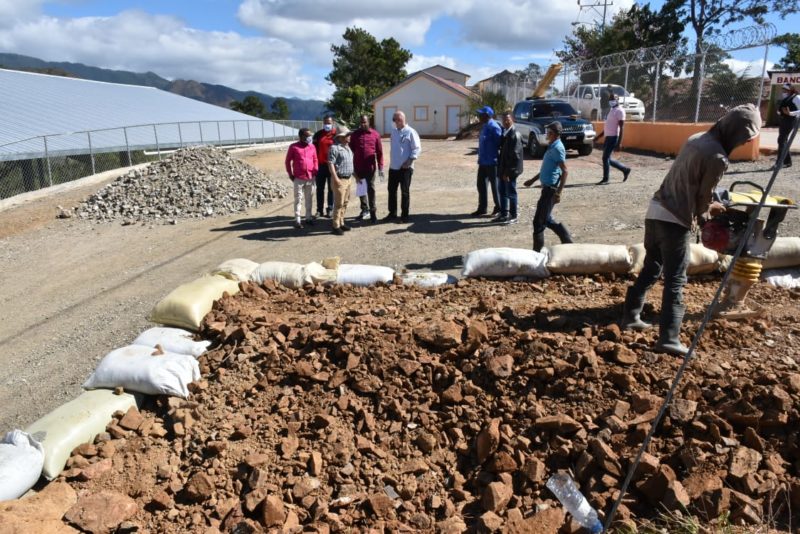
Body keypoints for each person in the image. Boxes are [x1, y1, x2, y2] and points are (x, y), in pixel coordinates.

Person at [621, 104, 761, 356]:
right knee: (676, 279)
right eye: (744, 139)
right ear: (737, 133)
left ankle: (630, 315)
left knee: (653, 265)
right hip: (675, 219)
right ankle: (669, 338)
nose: (741, 143)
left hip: (655, 210)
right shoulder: (718, 157)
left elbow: (691, 180)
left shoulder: (697, 138)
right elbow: (702, 202)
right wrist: (715, 208)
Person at [523, 121, 573, 251]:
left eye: (549, 132)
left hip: (550, 190)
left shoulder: (557, 148)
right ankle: (567, 240)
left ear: (555, 134)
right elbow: (547, 168)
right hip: (546, 188)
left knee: (539, 222)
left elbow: (565, 171)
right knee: (547, 219)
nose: (547, 134)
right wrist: (532, 180)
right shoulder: (552, 146)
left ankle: (537, 254)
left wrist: (559, 193)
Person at [385, 111, 421, 223]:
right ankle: (392, 213)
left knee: (404, 191)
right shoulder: (394, 132)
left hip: (405, 168)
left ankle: (405, 216)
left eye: (397, 119)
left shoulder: (411, 132)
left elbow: (417, 148)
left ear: (402, 119)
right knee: (391, 191)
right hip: (393, 167)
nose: (395, 121)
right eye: (394, 119)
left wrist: (409, 161)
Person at [350, 115, 384, 224]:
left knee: (371, 189)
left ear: (369, 122)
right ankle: (364, 210)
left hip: (370, 168)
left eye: (364, 122)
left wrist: (381, 167)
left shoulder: (375, 135)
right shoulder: (355, 135)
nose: (362, 124)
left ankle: (373, 213)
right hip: (358, 167)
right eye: (361, 122)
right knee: (361, 189)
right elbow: (351, 148)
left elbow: (379, 153)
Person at [284, 128, 318, 229]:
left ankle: (308, 217)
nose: (310, 137)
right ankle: (297, 219)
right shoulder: (293, 147)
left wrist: (315, 170)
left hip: (310, 177)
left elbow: (315, 159)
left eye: (310, 135)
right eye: (307, 136)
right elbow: (287, 161)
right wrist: (290, 174)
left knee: (309, 199)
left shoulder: (312, 147)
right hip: (298, 178)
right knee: (298, 199)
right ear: (301, 136)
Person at [472, 106, 502, 217]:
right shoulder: (484, 126)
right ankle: (482, 208)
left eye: (481, 114)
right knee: (481, 185)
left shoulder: (494, 127)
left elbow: (499, 143)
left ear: (487, 115)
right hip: (483, 162)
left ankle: (499, 208)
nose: (479, 116)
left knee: (495, 187)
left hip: (492, 162)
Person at [595, 94, 631, 185]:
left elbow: (622, 127)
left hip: (614, 137)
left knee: (605, 158)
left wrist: (619, 143)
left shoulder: (620, 111)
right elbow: (607, 127)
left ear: (618, 99)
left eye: (613, 99)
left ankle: (606, 179)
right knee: (608, 159)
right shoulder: (612, 110)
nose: (611, 101)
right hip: (608, 137)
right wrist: (599, 136)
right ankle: (625, 169)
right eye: (610, 99)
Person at [496, 112, 523, 224]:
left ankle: (514, 215)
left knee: (511, 193)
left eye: (508, 119)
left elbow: (515, 157)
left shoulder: (514, 135)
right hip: (504, 170)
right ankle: (503, 214)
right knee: (502, 192)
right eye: (504, 120)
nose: (505, 122)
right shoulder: (506, 133)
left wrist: (507, 173)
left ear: (513, 120)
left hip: (510, 171)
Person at [328, 127, 354, 236]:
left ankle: (341, 222)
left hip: (348, 179)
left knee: (345, 202)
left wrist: (354, 176)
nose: (349, 137)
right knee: (338, 204)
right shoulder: (334, 148)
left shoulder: (348, 148)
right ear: (341, 137)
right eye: (347, 135)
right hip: (340, 179)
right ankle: (335, 226)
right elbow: (330, 164)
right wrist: (336, 178)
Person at [312, 116, 336, 218]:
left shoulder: (336, 134)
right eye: (325, 123)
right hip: (320, 166)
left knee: (331, 189)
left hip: (332, 166)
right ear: (323, 123)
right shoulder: (318, 134)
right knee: (320, 189)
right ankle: (319, 210)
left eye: (329, 123)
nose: (327, 125)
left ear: (333, 123)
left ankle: (330, 209)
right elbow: (313, 149)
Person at [775, 83, 800, 169]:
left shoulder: (796, 97)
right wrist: (780, 112)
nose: (784, 92)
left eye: (785, 90)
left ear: (790, 90)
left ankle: (780, 162)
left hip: (791, 120)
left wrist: (790, 113)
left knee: (781, 140)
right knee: (783, 140)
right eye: (783, 90)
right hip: (784, 120)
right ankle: (787, 162)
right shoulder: (786, 98)